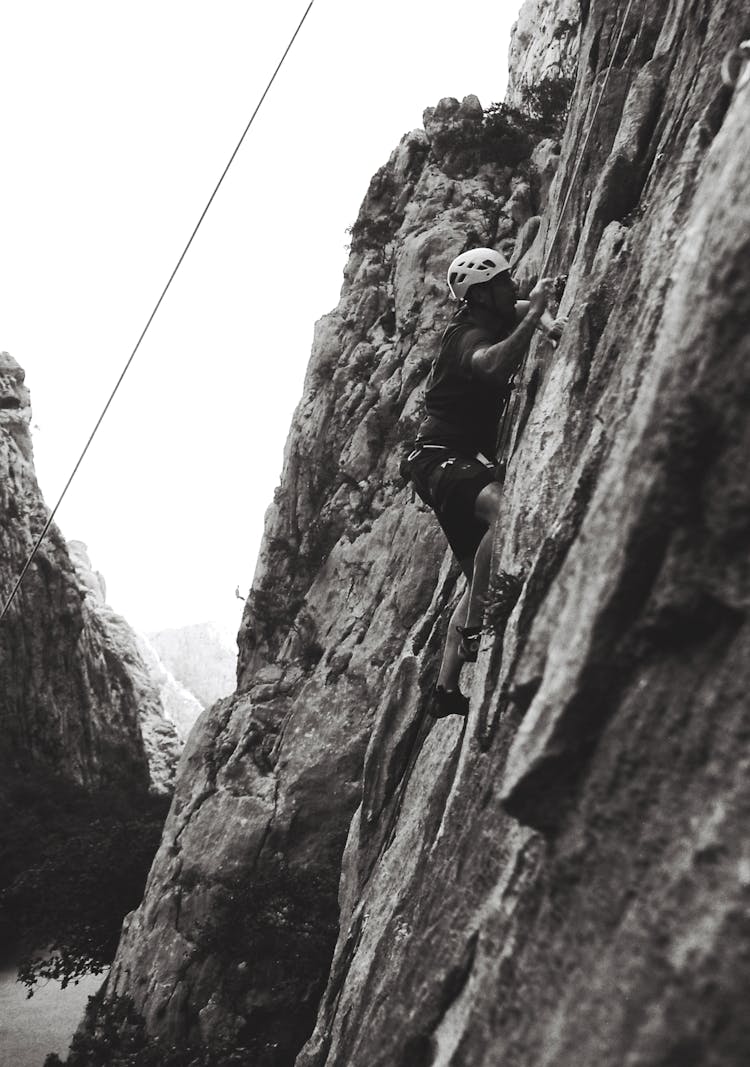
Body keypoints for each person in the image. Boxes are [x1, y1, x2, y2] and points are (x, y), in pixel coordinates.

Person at [403, 247, 566, 718]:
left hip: (448, 461)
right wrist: (535, 314)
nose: (513, 285)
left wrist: (546, 321)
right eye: (504, 281)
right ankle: (475, 628)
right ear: (480, 294)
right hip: (440, 458)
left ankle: (445, 691)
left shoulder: (494, 312)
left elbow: (522, 308)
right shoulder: (466, 336)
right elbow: (493, 364)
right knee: (504, 510)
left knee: (479, 572)